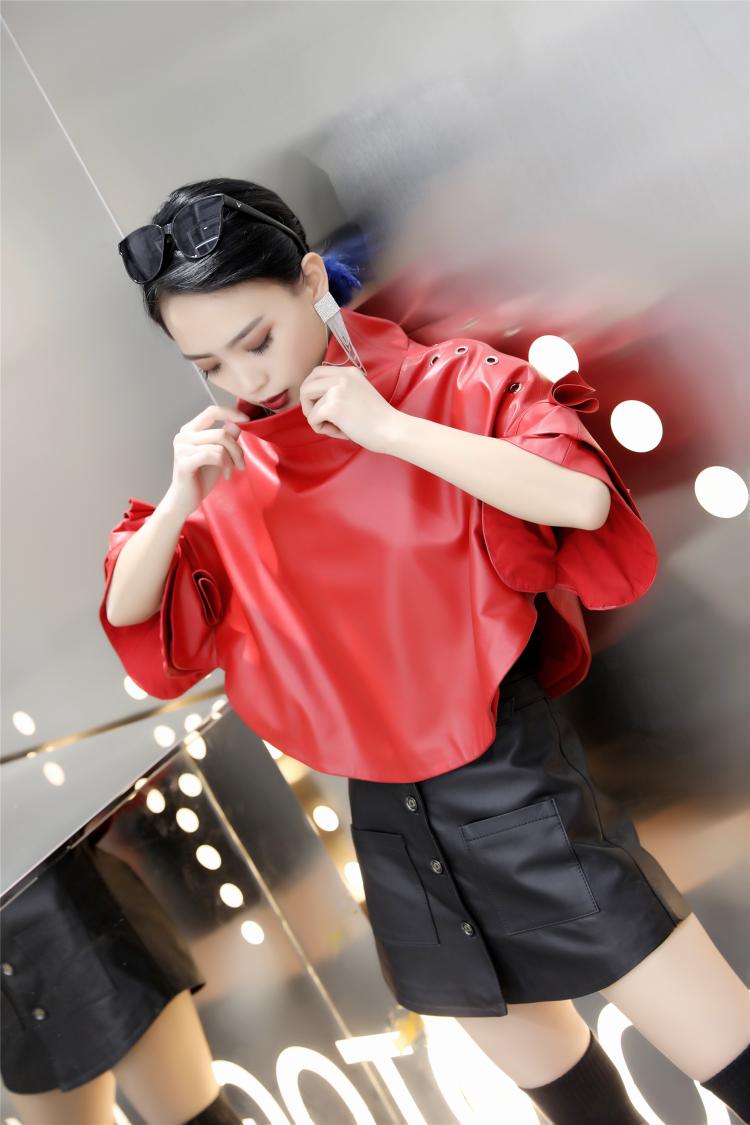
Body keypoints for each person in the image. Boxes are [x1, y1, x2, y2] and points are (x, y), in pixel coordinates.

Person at [100, 176, 750, 1125]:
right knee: (580, 1107)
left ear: (310, 280)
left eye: (257, 340)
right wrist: (175, 501)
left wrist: (390, 430)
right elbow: (136, 617)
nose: (246, 381)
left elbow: (579, 498)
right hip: (394, 823)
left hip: (514, 783)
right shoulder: (232, 463)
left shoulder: (443, 381)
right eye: (209, 365)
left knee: (726, 1052)